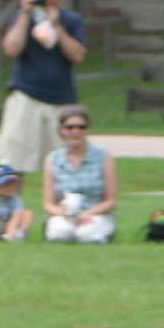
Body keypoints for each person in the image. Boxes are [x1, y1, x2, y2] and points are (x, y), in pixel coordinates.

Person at [0, 0, 87, 176]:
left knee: (64, 165)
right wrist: (24, 14)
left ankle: (63, 208)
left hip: (61, 99)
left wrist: (56, 25)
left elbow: (77, 56)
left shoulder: (71, 20)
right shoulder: (22, 18)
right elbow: (11, 49)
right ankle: (10, 206)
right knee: (14, 162)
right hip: (26, 95)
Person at [42, 105, 117, 244]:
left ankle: (104, 232)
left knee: (86, 236)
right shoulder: (53, 159)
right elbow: (48, 204)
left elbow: (111, 201)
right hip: (65, 215)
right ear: (61, 130)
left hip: (95, 213)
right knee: (60, 234)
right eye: (69, 127)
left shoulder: (104, 155)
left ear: (87, 129)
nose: (75, 131)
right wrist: (64, 213)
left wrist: (88, 213)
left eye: (80, 127)